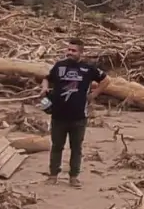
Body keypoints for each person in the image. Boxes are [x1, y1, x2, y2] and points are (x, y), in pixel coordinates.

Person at [40, 38, 107, 187]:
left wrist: (93, 95)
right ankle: (53, 175)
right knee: (57, 146)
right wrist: (44, 88)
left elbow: (106, 80)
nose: (70, 53)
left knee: (76, 148)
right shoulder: (59, 66)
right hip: (58, 115)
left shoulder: (88, 68)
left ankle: (74, 177)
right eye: (68, 50)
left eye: (73, 50)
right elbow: (46, 78)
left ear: (80, 53)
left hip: (78, 117)